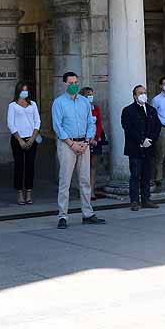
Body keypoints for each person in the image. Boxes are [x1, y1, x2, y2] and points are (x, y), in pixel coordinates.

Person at [51, 71, 105, 229]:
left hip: (84, 143)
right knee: (65, 182)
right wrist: (71, 143)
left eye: (76, 82)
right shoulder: (59, 102)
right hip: (67, 144)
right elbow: (57, 126)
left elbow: (91, 123)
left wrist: (87, 141)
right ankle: (63, 216)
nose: (74, 85)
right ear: (65, 84)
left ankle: (87, 213)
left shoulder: (84, 102)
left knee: (85, 181)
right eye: (71, 83)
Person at [121, 84, 161, 210]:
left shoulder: (151, 110)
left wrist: (151, 140)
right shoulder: (128, 110)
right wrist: (141, 140)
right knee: (135, 174)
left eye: (144, 92)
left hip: (149, 147)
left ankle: (146, 199)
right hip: (135, 148)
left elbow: (157, 127)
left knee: (147, 175)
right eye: (140, 93)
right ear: (134, 96)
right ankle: (134, 201)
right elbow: (128, 128)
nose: (143, 95)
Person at [7, 81, 41, 205]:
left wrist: (32, 138)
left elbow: (37, 121)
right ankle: (20, 194)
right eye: (22, 90)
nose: (24, 92)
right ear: (18, 91)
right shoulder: (12, 106)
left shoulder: (33, 104)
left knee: (30, 166)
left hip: (32, 139)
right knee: (19, 166)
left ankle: (29, 193)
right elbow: (11, 124)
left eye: (26, 90)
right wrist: (20, 140)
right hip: (18, 140)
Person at [82, 86, 107, 199]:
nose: (90, 96)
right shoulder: (80, 109)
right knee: (84, 167)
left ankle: (92, 190)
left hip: (95, 140)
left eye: (91, 94)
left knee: (93, 166)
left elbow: (99, 124)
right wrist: (88, 139)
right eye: (88, 95)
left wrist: (96, 139)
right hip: (84, 140)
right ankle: (84, 191)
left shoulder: (96, 108)